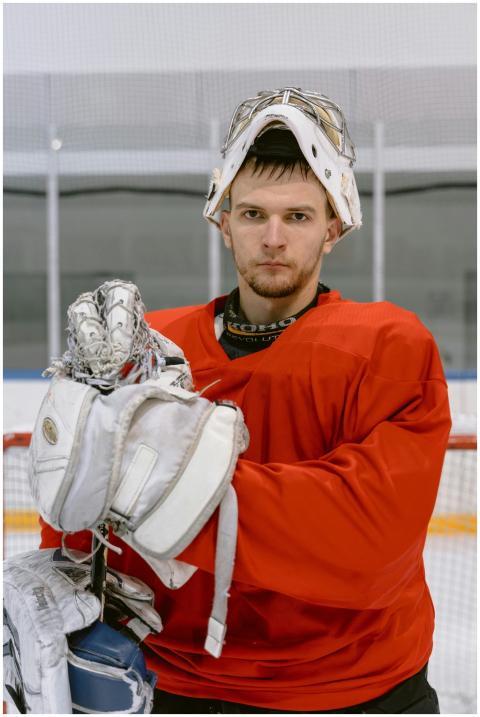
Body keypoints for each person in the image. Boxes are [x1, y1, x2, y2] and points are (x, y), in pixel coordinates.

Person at [40, 88, 450, 713]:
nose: (274, 238)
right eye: (254, 214)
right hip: (174, 686)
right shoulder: (152, 347)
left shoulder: (388, 347)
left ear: (334, 226)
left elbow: (368, 538)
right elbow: (78, 503)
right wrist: (54, 583)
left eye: (299, 217)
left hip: (352, 692)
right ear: (223, 220)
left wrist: (150, 484)